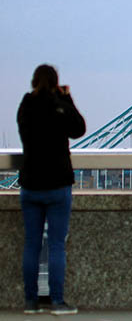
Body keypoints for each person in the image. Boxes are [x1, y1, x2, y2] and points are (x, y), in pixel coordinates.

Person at [17, 64, 86, 315]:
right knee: (56, 245)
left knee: (32, 244)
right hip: (58, 184)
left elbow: (24, 132)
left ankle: (30, 302)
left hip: (31, 184)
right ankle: (57, 302)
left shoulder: (26, 105)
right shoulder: (59, 106)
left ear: (33, 81)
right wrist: (65, 98)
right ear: (56, 83)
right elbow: (79, 129)